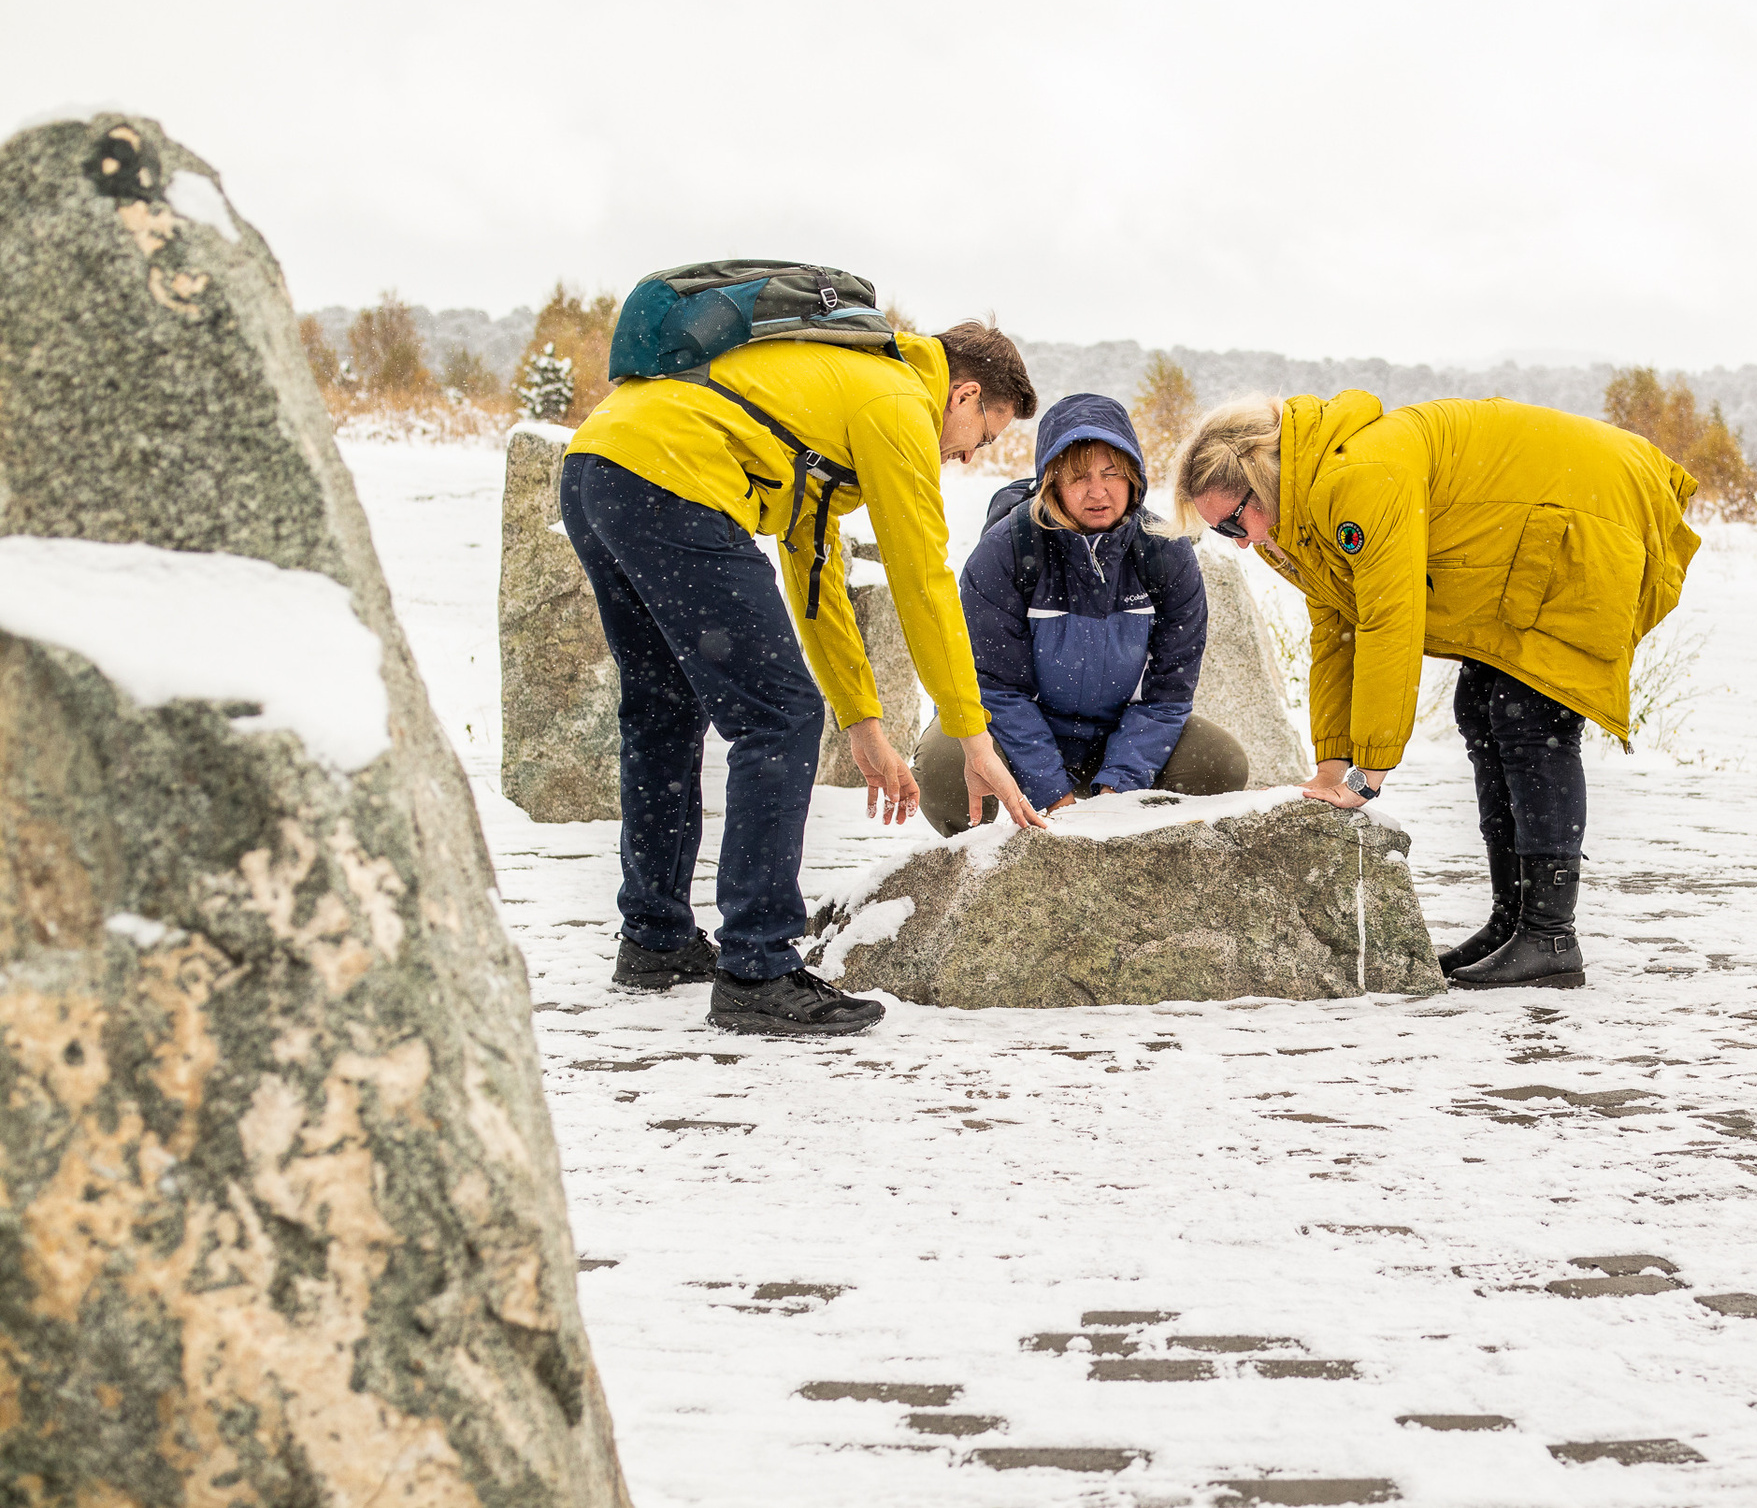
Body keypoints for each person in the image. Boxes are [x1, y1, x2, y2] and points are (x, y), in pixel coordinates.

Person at [560, 319, 1048, 1037]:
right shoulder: (898, 403)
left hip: (600, 467)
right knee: (779, 715)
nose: (970, 454)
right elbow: (924, 582)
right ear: (965, 394)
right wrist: (974, 740)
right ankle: (758, 969)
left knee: (664, 710)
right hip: (672, 476)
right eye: (984, 434)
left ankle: (655, 939)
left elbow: (813, 575)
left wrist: (864, 724)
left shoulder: (837, 394)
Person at [1171, 392, 1699, 989]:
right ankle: (1513, 921)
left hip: (1586, 515)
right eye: (1219, 532)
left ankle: (1550, 935)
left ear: (1261, 478)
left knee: (1530, 719)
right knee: (1481, 708)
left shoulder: (1357, 480)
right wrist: (1331, 764)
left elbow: (1389, 619)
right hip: (1525, 534)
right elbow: (1336, 629)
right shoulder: (1293, 520)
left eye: (1234, 521)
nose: (1237, 540)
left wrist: (1366, 774)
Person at [918, 393, 1248, 831]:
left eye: (1112, 473)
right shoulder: (1006, 551)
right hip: (1016, 736)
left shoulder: (1165, 553)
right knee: (945, 768)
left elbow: (1167, 696)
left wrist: (1118, 790)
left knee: (1221, 764)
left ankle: (1132, 856)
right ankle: (988, 874)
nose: (1098, 491)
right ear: (1051, 482)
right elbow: (996, 690)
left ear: (1134, 477)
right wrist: (1055, 796)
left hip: (1114, 737)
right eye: (1077, 478)